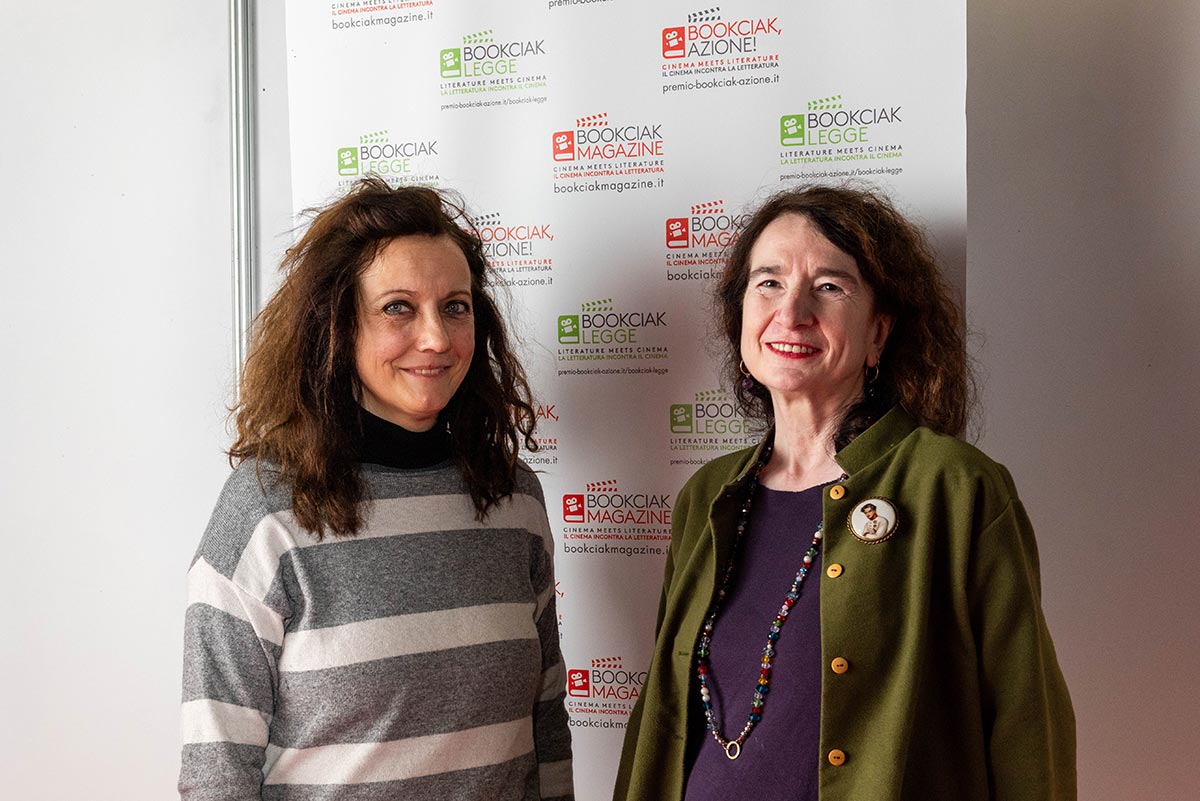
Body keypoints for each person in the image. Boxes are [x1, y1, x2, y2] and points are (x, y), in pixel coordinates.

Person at [613, 186, 1075, 801]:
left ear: (879, 332)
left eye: (829, 287)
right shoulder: (706, 496)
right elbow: (663, 717)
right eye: (769, 283)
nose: (792, 312)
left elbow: (1028, 728)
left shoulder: (955, 487)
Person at [179, 178, 573, 801]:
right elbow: (217, 775)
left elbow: (545, 720)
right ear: (337, 326)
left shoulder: (513, 498)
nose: (436, 338)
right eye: (398, 308)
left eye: (456, 307)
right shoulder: (265, 513)